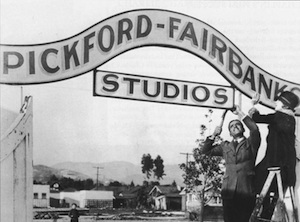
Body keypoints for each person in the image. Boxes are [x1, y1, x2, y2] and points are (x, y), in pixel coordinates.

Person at [201, 106, 261, 222]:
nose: (234, 127)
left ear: (243, 129)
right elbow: (205, 151)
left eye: (237, 125)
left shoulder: (251, 143)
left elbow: (254, 129)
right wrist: (214, 135)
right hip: (228, 191)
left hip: (246, 190)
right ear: (229, 132)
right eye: (231, 126)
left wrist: (240, 113)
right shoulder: (225, 146)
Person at [249, 91, 299, 219]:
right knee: (276, 190)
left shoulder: (279, 117)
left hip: (274, 162)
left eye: (278, 101)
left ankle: (265, 211)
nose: (276, 103)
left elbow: (256, 118)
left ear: (284, 105)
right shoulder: (291, 118)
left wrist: (254, 104)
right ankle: (268, 210)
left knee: (253, 178)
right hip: (287, 166)